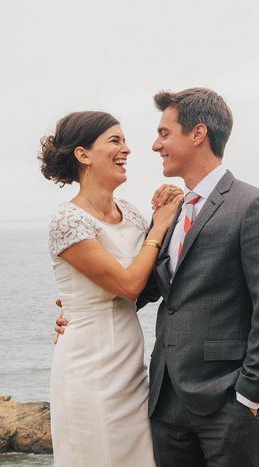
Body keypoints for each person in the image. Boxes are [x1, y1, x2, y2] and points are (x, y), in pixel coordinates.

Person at [57, 88, 259, 466]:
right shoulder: (170, 212)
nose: (155, 145)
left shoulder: (255, 207)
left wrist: (248, 396)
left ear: (198, 134)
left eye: (164, 134)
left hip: (227, 402)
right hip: (164, 402)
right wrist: (78, 310)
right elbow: (143, 287)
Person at [40, 110, 182, 467]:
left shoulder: (133, 214)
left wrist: (171, 202)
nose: (127, 149)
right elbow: (129, 286)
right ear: (83, 155)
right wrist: (159, 226)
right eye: (115, 141)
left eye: (125, 141)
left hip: (131, 366)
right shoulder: (67, 220)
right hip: (88, 368)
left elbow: (151, 277)